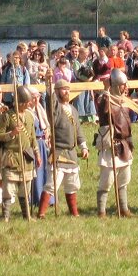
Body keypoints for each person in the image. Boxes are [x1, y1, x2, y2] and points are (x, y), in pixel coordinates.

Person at [39, 79, 87, 218]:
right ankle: (42, 213)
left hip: (71, 153)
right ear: (58, 91)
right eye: (63, 89)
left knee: (72, 185)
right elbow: (50, 100)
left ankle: (74, 213)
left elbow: (78, 131)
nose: (66, 91)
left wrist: (83, 146)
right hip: (59, 152)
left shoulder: (73, 110)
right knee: (52, 185)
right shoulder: (55, 108)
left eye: (68, 89)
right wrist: (49, 85)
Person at [0, 86, 39, 221]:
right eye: (25, 102)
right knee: (8, 190)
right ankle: (6, 217)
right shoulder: (7, 116)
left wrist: (37, 154)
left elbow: (32, 138)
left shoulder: (29, 116)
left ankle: (26, 216)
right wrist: (12, 133)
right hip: (11, 156)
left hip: (26, 157)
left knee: (25, 190)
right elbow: (0, 135)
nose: (27, 105)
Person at [96, 69, 134, 218]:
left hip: (123, 145)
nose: (126, 87)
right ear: (118, 86)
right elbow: (104, 112)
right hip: (111, 145)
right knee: (107, 180)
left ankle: (123, 209)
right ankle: (101, 211)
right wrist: (106, 91)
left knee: (124, 179)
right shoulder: (106, 100)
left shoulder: (123, 102)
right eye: (124, 85)